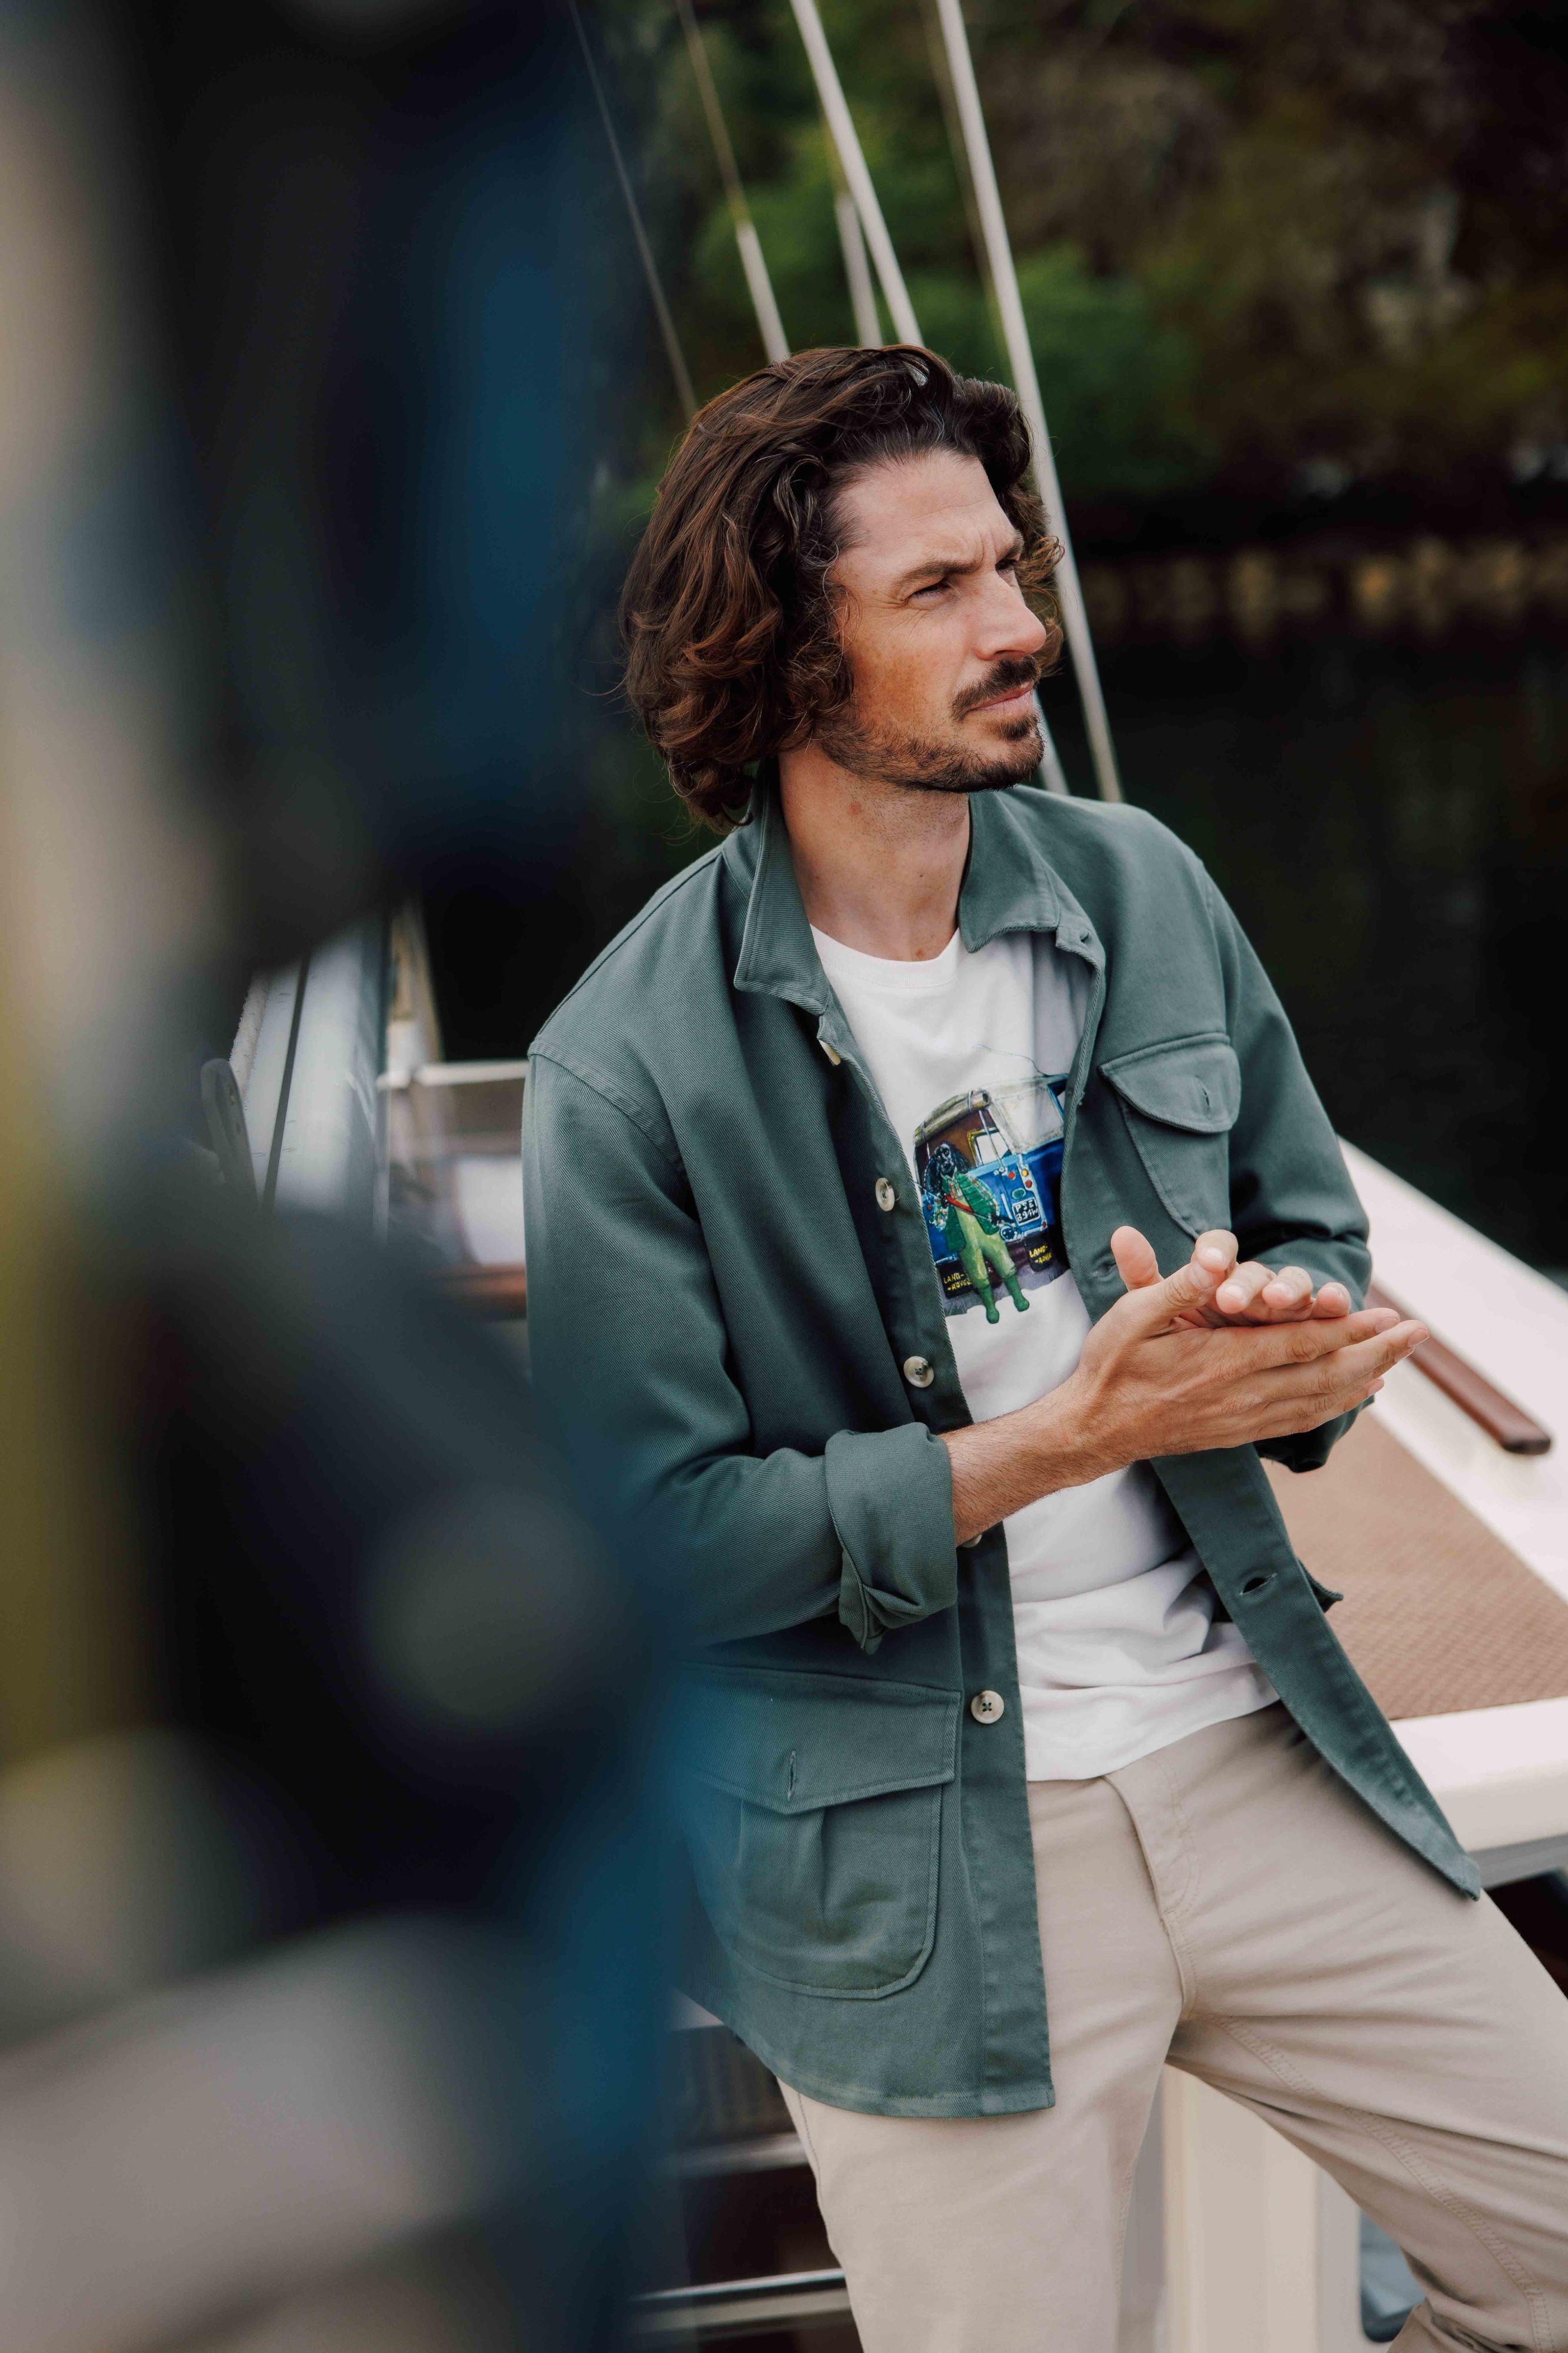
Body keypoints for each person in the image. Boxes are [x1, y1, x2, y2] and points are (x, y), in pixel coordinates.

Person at [522, 346, 1568, 2353]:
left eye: (1010, 568)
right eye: (935, 592)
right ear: (776, 651)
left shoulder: (1142, 883)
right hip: (916, 1859)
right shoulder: (623, 1066)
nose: (1020, 629)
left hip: (1254, 1746)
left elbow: (1305, 1219)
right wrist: (1067, 1435)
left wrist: (1279, 1334)